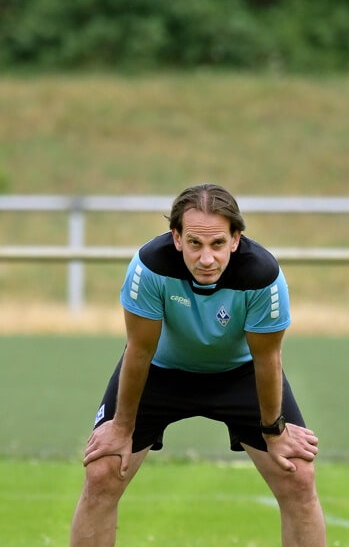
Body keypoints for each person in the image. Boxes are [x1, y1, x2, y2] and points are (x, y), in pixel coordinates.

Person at [69, 184, 326, 547]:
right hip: (159, 372)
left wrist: (274, 430)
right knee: (103, 470)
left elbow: (267, 359)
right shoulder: (150, 266)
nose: (207, 259)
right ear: (177, 238)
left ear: (236, 239)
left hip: (241, 375)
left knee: (298, 476)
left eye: (218, 244)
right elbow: (139, 350)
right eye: (195, 244)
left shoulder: (261, 275)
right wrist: (122, 427)